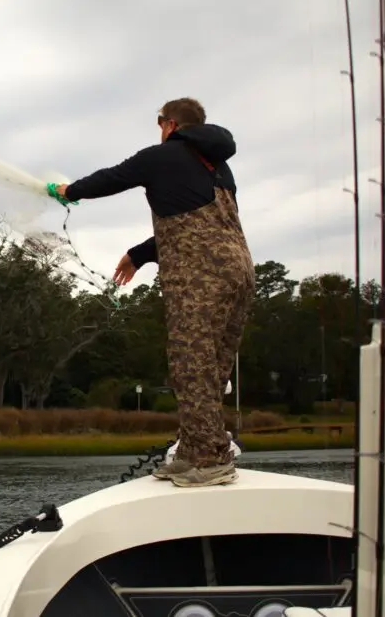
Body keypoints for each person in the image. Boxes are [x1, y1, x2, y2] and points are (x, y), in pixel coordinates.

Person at [54, 97, 255, 487]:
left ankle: (211, 460)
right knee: (211, 368)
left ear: (169, 124)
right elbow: (192, 220)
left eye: (160, 125)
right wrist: (139, 254)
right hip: (241, 271)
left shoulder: (160, 157)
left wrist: (69, 190)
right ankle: (194, 453)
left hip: (200, 277)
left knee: (190, 363)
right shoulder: (219, 166)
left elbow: (111, 178)